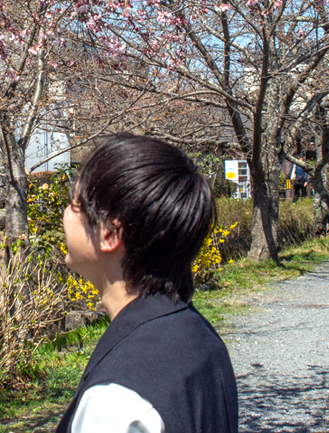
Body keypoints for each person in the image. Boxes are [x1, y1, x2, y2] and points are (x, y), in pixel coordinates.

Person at [56, 134, 238, 433]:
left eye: (74, 204)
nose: (64, 214)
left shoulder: (116, 400)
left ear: (109, 234)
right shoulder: (201, 338)